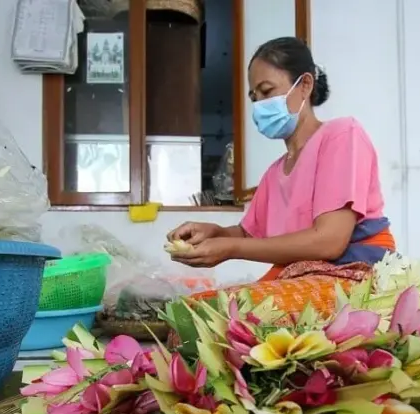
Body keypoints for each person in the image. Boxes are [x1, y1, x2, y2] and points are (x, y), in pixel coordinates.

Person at [168, 36, 395, 286]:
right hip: (306, 272)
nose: (259, 106)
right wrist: (214, 232)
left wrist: (229, 248)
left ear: (305, 85)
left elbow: (330, 241)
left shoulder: (341, 136)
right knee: (204, 306)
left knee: (234, 314)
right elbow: (249, 234)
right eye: (254, 98)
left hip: (354, 269)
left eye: (267, 92)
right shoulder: (275, 173)